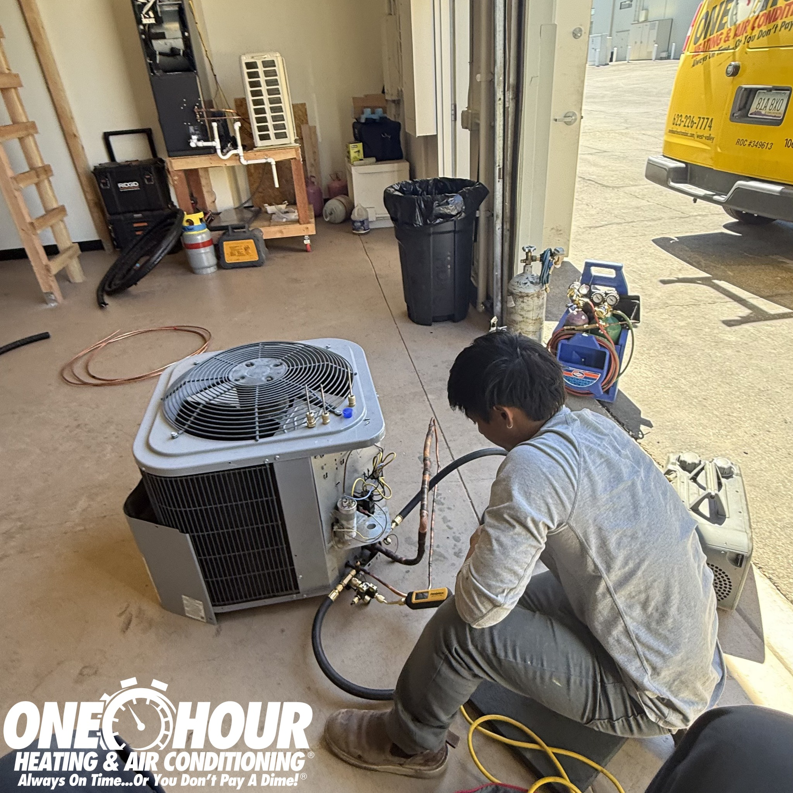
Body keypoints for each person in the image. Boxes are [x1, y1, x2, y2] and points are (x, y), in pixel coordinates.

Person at [324, 331, 724, 779]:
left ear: (504, 415)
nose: (478, 429)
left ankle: (409, 745)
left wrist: (482, 546)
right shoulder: (595, 425)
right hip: (695, 654)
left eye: (478, 420)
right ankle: (673, 700)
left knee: (460, 630)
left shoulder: (532, 470)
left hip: (651, 696)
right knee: (529, 596)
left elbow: (479, 608)